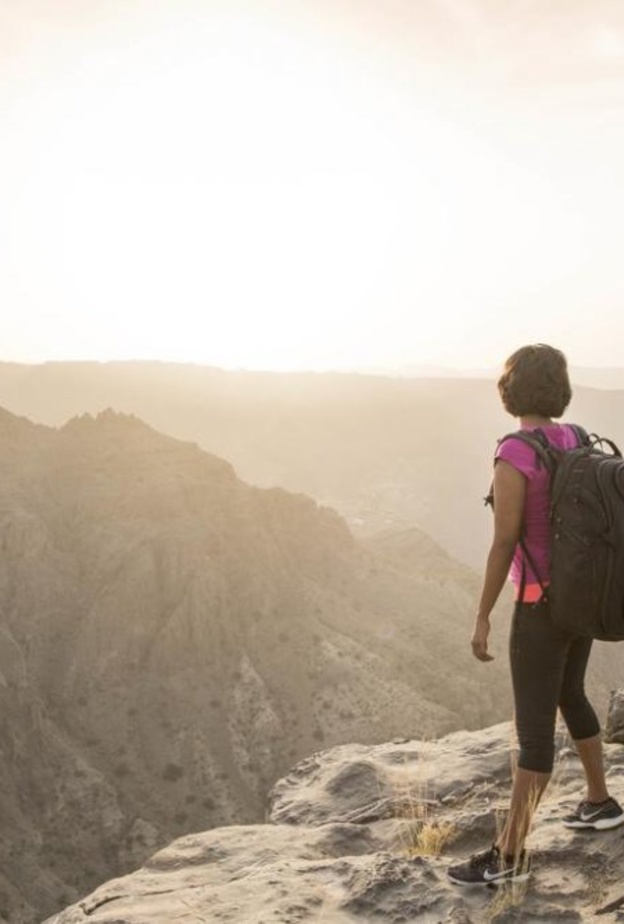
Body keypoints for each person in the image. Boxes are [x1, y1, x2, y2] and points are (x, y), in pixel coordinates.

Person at [447, 344, 624, 887]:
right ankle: (600, 802)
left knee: (533, 737)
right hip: (579, 599)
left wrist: (482, 616)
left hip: (537, 606)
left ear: (510, 389)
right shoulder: (575, 439)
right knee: (572, 694)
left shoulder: (515, 452)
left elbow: (504, 543)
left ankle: (508, 856)